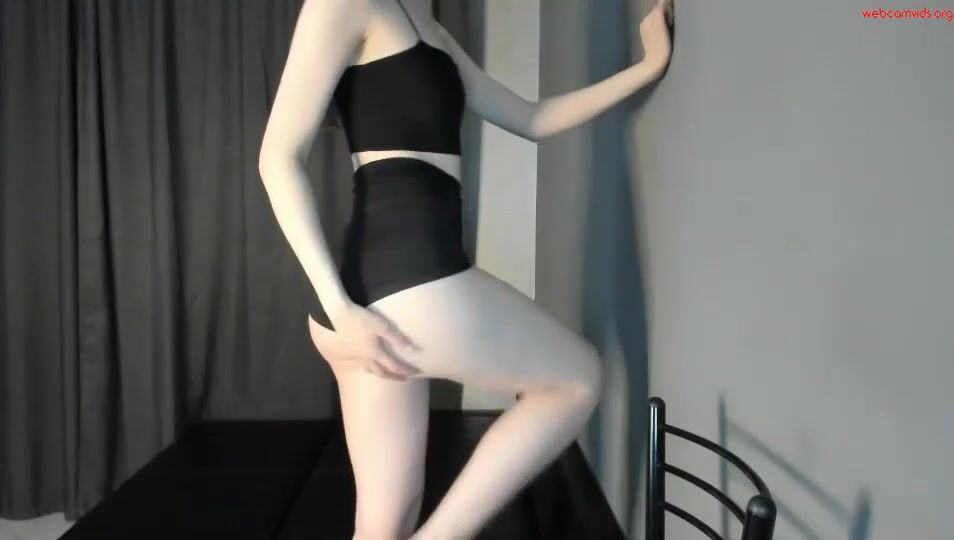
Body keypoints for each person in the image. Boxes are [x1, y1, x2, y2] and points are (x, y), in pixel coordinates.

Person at [257, 0, 674, 538]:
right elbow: (277, 157)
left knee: (383, 528)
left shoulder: (431, 30)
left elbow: (532, 119)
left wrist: (646, 67)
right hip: (402, 284)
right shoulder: (346, 3)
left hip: (384, 293)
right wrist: (341, 309)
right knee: (577, 379)